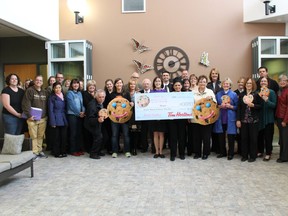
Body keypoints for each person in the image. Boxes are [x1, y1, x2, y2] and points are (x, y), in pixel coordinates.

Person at [22, 75, 48, 159]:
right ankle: (34, 152)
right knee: (34, 136)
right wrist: (29, 115)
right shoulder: (30, 91)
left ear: (42, 82)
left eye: (40, 80)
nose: (39, 82)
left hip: (42, 118)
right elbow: (26, 103)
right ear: (34, 81)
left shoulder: (44, 92)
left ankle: (39, 151)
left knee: (40, 136)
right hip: (32, 118)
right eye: (37, 80)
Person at [236, 77, 262, 162]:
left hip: (253, 121)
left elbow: (260, 106)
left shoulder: (256, 94)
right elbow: (239, 108)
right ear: (245, 85)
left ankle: (252, 156)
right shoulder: (241, 94)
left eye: (250, 83)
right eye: (247, 83)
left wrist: (253, 105)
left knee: (253, 139)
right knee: (244, 138)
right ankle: (244, 155)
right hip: (244, 121)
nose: (248, 85)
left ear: (253, 85)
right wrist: (238, 120)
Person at [192, 75, 216, 160]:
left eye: (204, 81)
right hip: (196, 119)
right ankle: (197, 153)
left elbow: (214, 104)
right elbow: (191, 105)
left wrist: (211, 100)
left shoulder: (210, 92)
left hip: (207, 118)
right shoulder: (193, 92)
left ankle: (206, 153)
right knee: (196, 137)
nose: (202, 83)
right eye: (201, 81)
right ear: (198, 83)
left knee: (206, 137)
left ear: (206, 83)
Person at [214, 78, 238, 160]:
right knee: (221, 136)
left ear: (230, 85)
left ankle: (230, 153)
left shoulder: (234, 94)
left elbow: (237, 107)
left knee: (231, 136)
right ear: (222, 85)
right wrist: (220, 106)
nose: (226, 85)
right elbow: (215, 105)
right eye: (224, 84)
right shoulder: (218, 94)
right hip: (221, 118)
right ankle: (222, 152)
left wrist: (230, 106)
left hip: (230, 118)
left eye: (227, 84)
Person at [110, 78, 133, 158]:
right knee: (114, 135)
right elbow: (109, 107)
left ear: (122, 84)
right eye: (117, 83)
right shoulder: (112, 94)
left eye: (120, 83)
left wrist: (131, 103)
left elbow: (129, 105)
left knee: (126, 135)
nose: (119, 84)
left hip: (124, 118)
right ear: (115, 85)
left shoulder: (126, 94)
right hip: (114, 119)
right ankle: (114, 151)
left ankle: (127, 151)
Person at [257, 77, 277, 161]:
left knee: (268, 137)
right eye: (262, 81)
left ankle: (268, 153)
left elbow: (274, 105)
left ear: (267, 83)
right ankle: (260, 151)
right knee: (260, 136)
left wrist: (267, 100)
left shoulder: (271, 92)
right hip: (260, 119)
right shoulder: (258, 93)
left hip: (269, 119)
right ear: (260, 83)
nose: (263, 82)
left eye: (265, 81)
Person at [48, 82, 68, 158]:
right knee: (57, 137)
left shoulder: (63, 96)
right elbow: (50, 110)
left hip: (63, 118)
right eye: (56, 88)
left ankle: (63, 151)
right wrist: (52, 122)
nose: (58, 89)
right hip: (56, 118)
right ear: (53, 89)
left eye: (59, 87)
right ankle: (57, 152)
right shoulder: (52, 97)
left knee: (64, 136)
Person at [84, 89, 106, 159]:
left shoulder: (100, 103)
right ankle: (93, 153)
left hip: (97, 122)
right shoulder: (92, 105)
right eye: (100, 97)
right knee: (98, 137)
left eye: (103, 97)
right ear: (96, 97)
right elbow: (90, 119)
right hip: (90, 124)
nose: (102, 99)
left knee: (105, 136)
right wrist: (98, 120)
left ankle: (98, 150)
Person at [66, 78, 85, 156]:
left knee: (79, 133)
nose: (76, 84)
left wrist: (83, 111)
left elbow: (82, 104)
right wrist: (79, 113)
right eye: (74, 83)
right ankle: (72, 150)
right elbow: (71, 105)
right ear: (71, 85)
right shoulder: (69, 93)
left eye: (77, 83)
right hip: (72, 115)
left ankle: (78, 149)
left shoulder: (80, 93)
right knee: (73, 133)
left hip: (80, 115)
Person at [168, 77, 186, 161]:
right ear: (173, 86)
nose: (177, 87)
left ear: (181, 86)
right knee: (173, 137)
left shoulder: (186, 95)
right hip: (172, 119)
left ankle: (182, 153)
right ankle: (173, 154)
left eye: (179, 85)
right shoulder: (170, 95)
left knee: (182, 137)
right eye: (176, 85)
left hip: (182, 119)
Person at [207, 68, 222, 154]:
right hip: (209, 110)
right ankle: (212, 147)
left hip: (219, 109)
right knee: (211, 128)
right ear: (210, 75)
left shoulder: (221, 84)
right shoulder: (208, 85)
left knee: (218, 128)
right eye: (213, 73)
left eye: (216, 73)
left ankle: (218, 147)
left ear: (218, 75)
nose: (214, 75)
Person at [150, 77, 166, 158]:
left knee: (161, 134)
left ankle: (161, 151)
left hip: (162, 116)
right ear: (154, 83)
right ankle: (156, 152)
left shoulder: (165, 92)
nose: (157, 82)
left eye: (159, 81)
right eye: (156, 81)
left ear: (161, 83)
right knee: (155, 134)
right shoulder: (150, 92)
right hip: (153, 116)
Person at [82, 80, 97, 152]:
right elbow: (82, 104)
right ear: (87, 86)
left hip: (96, 116)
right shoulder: (84, 93)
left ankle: (94, 148)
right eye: (90, 85)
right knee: (87, 133)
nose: (91, 87)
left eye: (93, 85)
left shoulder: (97, 94)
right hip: (87, 115)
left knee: (95, 133)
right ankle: (88, 148)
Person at [275, 75, 288, 163]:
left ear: (287, 82)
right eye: (280, 80)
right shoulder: (280, 91)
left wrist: (285, 120)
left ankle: (284, 157)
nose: (282, 82)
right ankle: (282, 156)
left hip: (285, 118)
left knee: (285, 139)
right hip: (279, 117)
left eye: (284, 80)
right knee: (282, 139)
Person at [139, 78, 154, 153]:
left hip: (152, 117)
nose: (146, 85)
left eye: (147, 84)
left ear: (150, 85)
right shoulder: (139, 93)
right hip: (143, 117)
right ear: (143, 85)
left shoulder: (153, 93)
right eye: (145, 84)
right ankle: (144, 147)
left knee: (152, 133)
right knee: (143, 133)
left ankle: (153, 148)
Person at [128, 79, 141, 155]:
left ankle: (134, 148)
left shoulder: (138, 94)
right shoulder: (126, 94)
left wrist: (135, 104)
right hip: (129, 116)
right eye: (131, 84)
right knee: (129, 132)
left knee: (135, 132)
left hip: (136, 116)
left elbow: (141, 104)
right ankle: (130, 147)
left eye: (133, 84)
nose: (132, 86)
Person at [234, 77, 246, 155]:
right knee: (237, 134)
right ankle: (238, 149)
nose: (240, 84)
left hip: (244, 115)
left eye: (242, 82)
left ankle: (243, 150)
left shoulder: (247, 93)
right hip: (236, 115)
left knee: (243, 134)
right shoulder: (235, 93)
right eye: (239, 82)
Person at [102, 79, 114, 154]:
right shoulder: (104, 94)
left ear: (113, 85)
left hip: (114, 115)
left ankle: (116, 147)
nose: (109, 85)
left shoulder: (115, 93)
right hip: (107, 116)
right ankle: (109, 148)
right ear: (106, 86)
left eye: (110, 84)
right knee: (108, 132)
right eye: (107, 84)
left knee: (115, 133)